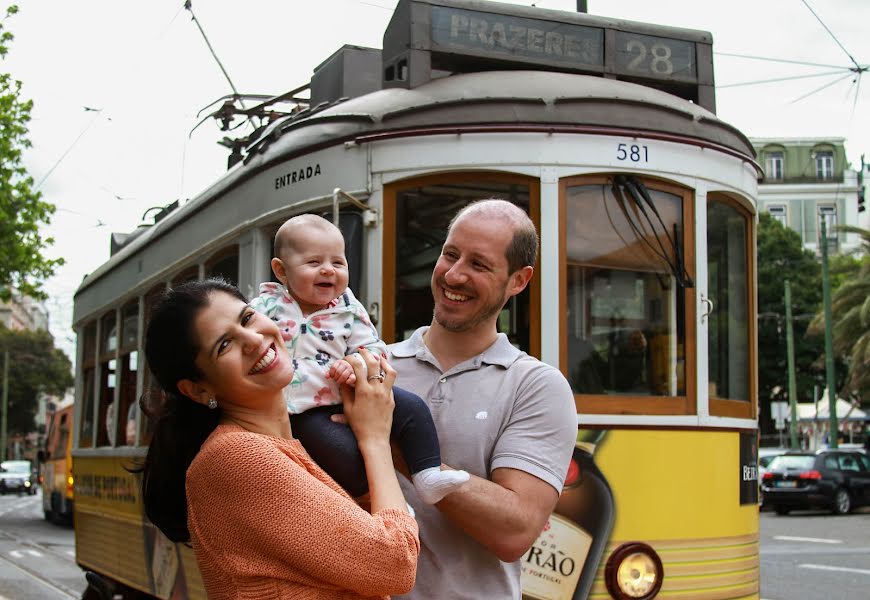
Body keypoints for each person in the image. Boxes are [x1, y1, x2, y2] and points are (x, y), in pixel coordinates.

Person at [139, 279, 419, 599]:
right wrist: (375, 439)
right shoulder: (236, 456)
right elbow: (395, 564)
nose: (253, 339)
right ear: (199, 389)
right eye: (224, 345)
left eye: (246, 318)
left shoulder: (292, 447)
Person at [388, 200, 578, 599]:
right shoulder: (375, 362)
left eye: (479, 264)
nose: (454, 275)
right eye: (450, 254)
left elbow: (515, 531)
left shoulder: (536, 386)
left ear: (518, 281)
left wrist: (391, 444)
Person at [251, 214, 468, 503]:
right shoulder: (265, 306)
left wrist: (356, 363)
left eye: (338, 263)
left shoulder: (349, 308)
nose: (328, 270)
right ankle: (385, 504)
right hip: (301, 408)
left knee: (413, 407)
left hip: (348, 390)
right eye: (314, 263)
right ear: (281, 271)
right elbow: (248, 344)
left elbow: (373, 346)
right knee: (342, 452)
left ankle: (427, 474)